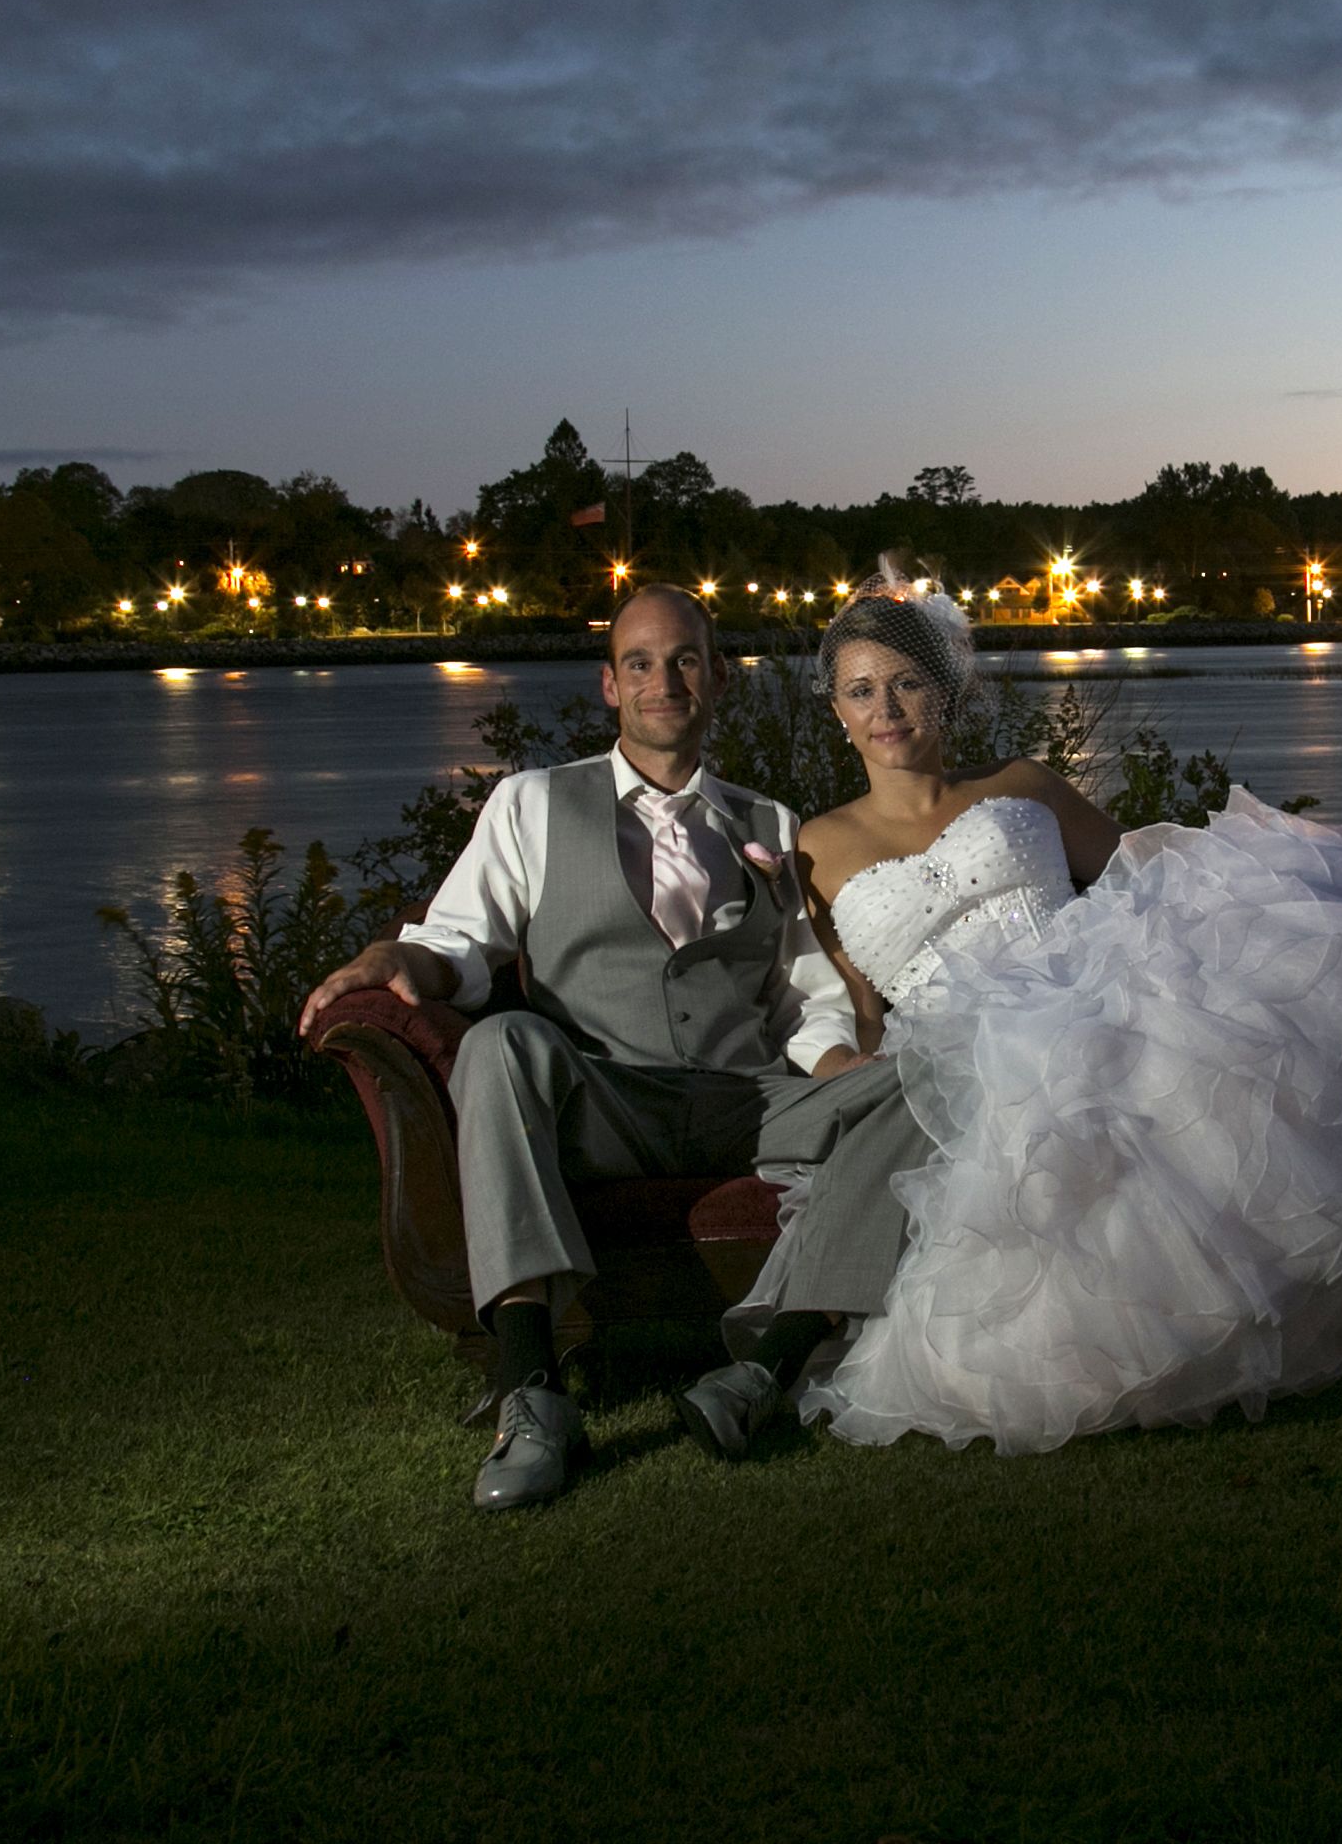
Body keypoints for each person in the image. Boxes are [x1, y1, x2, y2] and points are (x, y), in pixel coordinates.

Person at [793, 574, 1342, 1454]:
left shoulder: (1021, 784)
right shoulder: (815, 845)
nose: (887, 708)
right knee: (1043, 1115)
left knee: (1215, 1032)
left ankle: (1264, 1285)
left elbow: (1153, 863)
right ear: (835, 707)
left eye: (906, 682)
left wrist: (1327, 849)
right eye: (861, 689)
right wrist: (848, 1071)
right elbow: (850, 1002)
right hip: (958, 1049)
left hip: (1090, 983)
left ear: (945, 691)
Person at [297, 585, 929, 1511]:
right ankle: (532, 1392)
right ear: (609, 685)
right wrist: (396, 954)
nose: (662, 681)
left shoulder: (772, 824)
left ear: (718, 679)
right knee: (504, 1042)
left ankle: (765, 1373)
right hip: (604, 1102)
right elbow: (459, 945)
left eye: (684, 661)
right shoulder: (533, 804)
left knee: (917, 1081)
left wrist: (844, 1077)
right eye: (640, 662)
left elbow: (807, 1000)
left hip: (741, 1100)